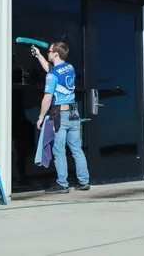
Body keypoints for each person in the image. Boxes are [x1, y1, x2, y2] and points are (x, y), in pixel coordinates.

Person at [32, 42, 91, 193]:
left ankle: (62, 184)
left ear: (56, 54)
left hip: (60, 115)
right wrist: (38, 55)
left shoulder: (52, 75)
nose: (48, 53)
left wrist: (40, 117)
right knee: (76, 149)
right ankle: (84, 181)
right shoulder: (69, 67)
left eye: (49, 51)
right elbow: (50, 69)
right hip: (73, 113)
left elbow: (47, 98)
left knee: (58, 150)